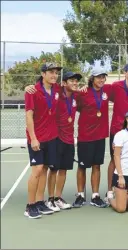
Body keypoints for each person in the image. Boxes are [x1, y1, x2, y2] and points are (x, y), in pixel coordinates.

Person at [24, 62, 62, 218]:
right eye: (51, 72)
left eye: (56, 72)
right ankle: (30, 205)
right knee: (37, 170)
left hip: (51, 137)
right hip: (37, 138)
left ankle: (40, 202)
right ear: (43, 74)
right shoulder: (32, 91)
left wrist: (81, 88)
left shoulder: (57, 89)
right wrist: (33, 138)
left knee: (45, 168)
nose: (54, 75)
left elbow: (71, 88)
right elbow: (28, 115)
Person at [73, 68, 113, 208]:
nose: (101, 80)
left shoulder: (107, 91)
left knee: (97, 166)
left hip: (100, 135)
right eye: (98, 77)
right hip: (85, 135)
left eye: (103, 77)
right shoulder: (82, 93)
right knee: (82, 166)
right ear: (92, 79)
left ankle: (95, 195)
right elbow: (76, 107)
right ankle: (80, 195)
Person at [105, 63, 128, 203]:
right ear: (125, 73)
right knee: (114, 159)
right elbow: (99, 88)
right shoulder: (116, 86)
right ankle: (109, 190)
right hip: (117, 129)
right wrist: (86, 86)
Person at [45, 71, 82, 211]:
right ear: (64, 83)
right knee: (53, 169)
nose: (74, 83)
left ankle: (58, 198)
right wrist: (28, 87)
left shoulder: (76, 95)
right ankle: (50, 199)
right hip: (56, 138)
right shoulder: (56, 92)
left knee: (64, 169)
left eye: (76, 81)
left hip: (69, 138)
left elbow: (89, 91)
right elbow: (43, 86)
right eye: (71, 80)